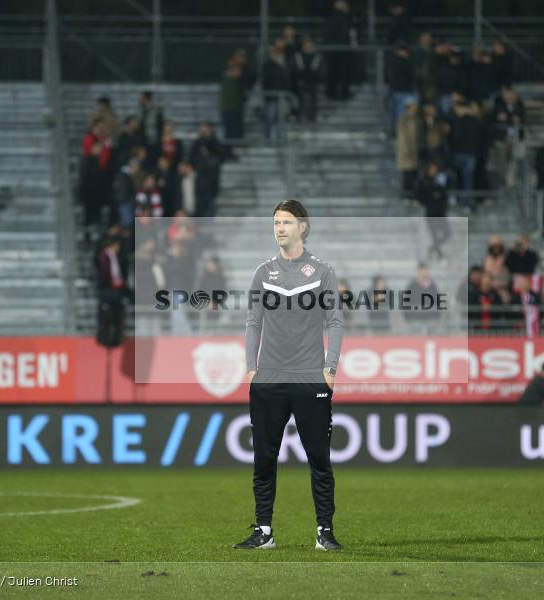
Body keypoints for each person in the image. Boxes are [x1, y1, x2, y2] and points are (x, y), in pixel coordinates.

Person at [237, 199, 344, 552]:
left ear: (303, 227)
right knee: (264, 459)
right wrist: (251, 367)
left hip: (310, 378)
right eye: (276, 223)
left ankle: (324, 531)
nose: (279, 228)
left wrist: (330, 368)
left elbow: (334, 321)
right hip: (268, 379)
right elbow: (253, 322)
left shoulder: (323, 272)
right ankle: (264, 530)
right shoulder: (262, 273)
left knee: (319, 459)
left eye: (286, 222)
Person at [94, 236, 127, 348]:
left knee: (118, 311)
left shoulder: (114, 256)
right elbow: (104, 273)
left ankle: (116, 337)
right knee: (107, 312)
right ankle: (106, 337)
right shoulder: (104, 256)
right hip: (108, 289)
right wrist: (112, 283)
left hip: (115, 289)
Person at [323, 0, 357, 101]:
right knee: (343, 72)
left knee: (334, 71)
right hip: (341, 49)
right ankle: (342, 92)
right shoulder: (344, 19)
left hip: (334, 49)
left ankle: (331, 92)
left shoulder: (332, 18)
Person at [414, 162, 449, 260]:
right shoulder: (423, 181)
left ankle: (433, 249)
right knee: (434, 234)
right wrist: (429, 199)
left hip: (441, 211)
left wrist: (440, 197)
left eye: (435, 168)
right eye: (432, 168)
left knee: (446, 234)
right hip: (431, 212)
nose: (434, 170)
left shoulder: (439, 180)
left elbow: (444, 193)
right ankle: (438, 253)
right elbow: (418, 195)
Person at [387, 40, 416, 127]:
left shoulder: (409, 62)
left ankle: (400, 137)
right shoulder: (393, 61)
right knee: (396, 117)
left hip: (405, 92)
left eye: (405, 50)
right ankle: (395, 135)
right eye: (401, 50)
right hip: (396, 92)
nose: (403, 52)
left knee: (403, 117)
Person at [293, 37, 322, 123]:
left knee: (314, 100)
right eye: (306, 46)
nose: (308, 48)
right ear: (302, 47)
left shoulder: (317, 57)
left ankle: (312, 117)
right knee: (300, 99)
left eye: (309, 46)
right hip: (301, 82)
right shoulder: (298, 56)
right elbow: (294, 70)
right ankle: (299, 116)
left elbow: (321, 71)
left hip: (313, 82)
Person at [396, 99, 420, 202]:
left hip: (415, 152)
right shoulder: (403, 120)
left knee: (414, 175)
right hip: (407, 152)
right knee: (407, 175)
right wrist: (406, 150)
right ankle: (407, 196)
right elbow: (402, 137)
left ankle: (413, 196)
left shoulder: (417, 119)